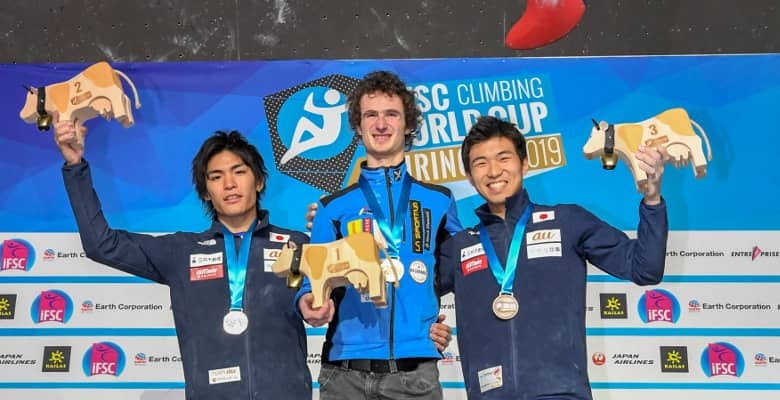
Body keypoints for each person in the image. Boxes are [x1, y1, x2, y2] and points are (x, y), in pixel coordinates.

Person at [52, 114, 311, 400]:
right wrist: (75, 166)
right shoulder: (182, 251)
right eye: (216, 177)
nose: (229, 184)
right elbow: (101, 244)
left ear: (259, 181)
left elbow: (328, 299)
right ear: (206, 192)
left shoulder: (297, 245)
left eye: (239, 172)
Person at [438, 115, 669, 399]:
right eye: (480, 163)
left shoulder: (567, 221)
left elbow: (645, 268)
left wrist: (652, 200)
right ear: (470, 177)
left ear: (524, 164)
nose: (494, 171)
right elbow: (408, 298)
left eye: (503, 158)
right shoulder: (460, 246)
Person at [296, 70, 462, 400]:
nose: (381, 124)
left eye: (392, 114)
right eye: (370, 115)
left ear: (409, 124)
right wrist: (308, 303)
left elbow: (463, 272)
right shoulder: (332, 207)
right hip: (344, 377)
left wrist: (431, 321)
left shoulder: (439, 201)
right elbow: (311, 281)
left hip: (415, 375)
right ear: (358, 126)